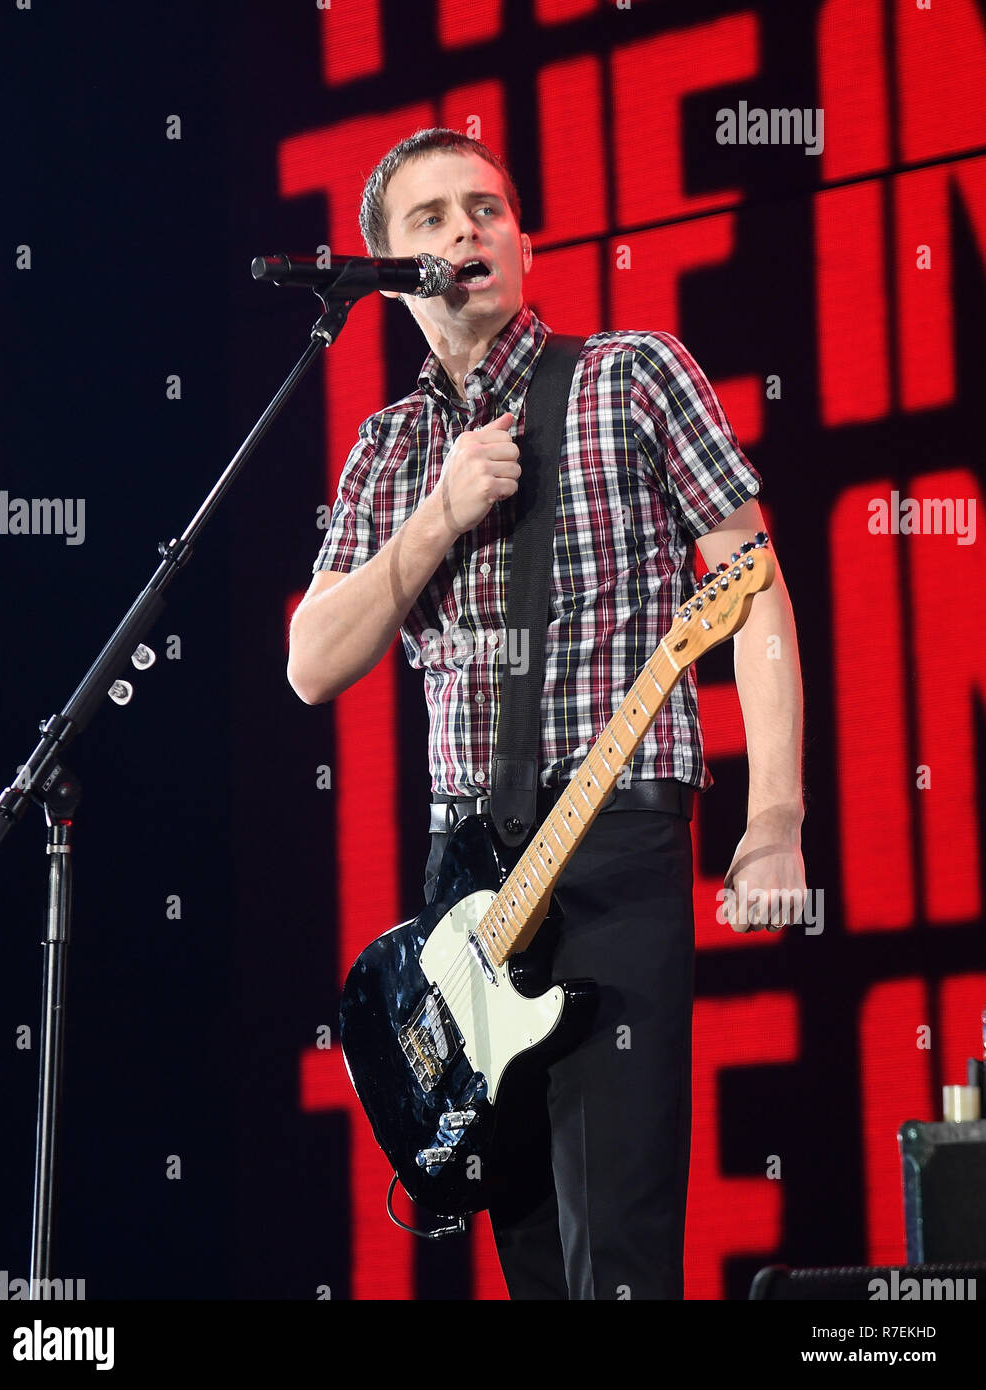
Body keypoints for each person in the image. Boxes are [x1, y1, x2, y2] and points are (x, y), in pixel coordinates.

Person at [287, 128, 806, 1300]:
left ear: (521, 239)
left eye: (487, 210)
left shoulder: (631, 374)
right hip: (466, 879)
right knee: (527, 1257)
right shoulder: (391, 448)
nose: (466, 233)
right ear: (386, 270)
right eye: (431, 220)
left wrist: (774, 816)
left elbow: (755, 590)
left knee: (613, 1247)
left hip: (615, 840)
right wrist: (436, 514)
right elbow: (312, 663)